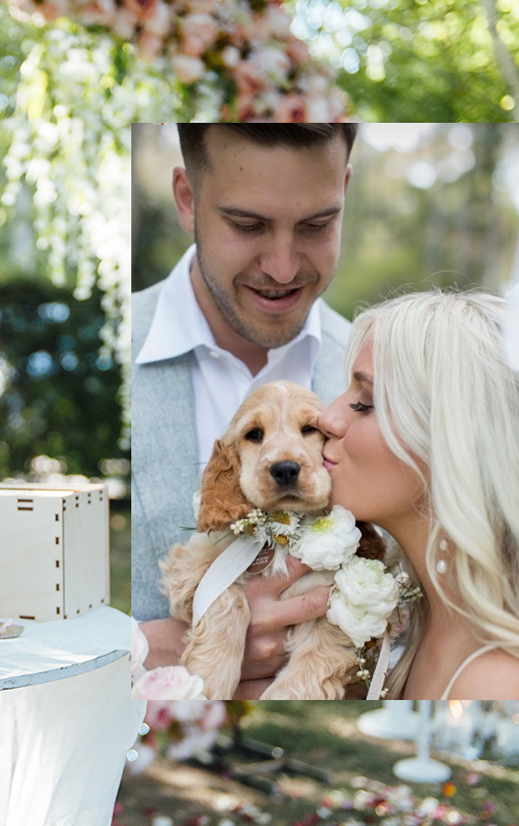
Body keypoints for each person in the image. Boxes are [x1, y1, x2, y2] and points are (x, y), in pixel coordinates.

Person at [131, 123, 359, 695]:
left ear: (345, 193)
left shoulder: (387, 373)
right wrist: (137, 646)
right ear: (187, 199)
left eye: (316, 224)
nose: (283, 268)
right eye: (247, 225)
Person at [319, 289, 519, 699]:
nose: (328, 417)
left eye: (365, 402)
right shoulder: (420, 619)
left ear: (454, 441)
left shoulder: (494, 680)